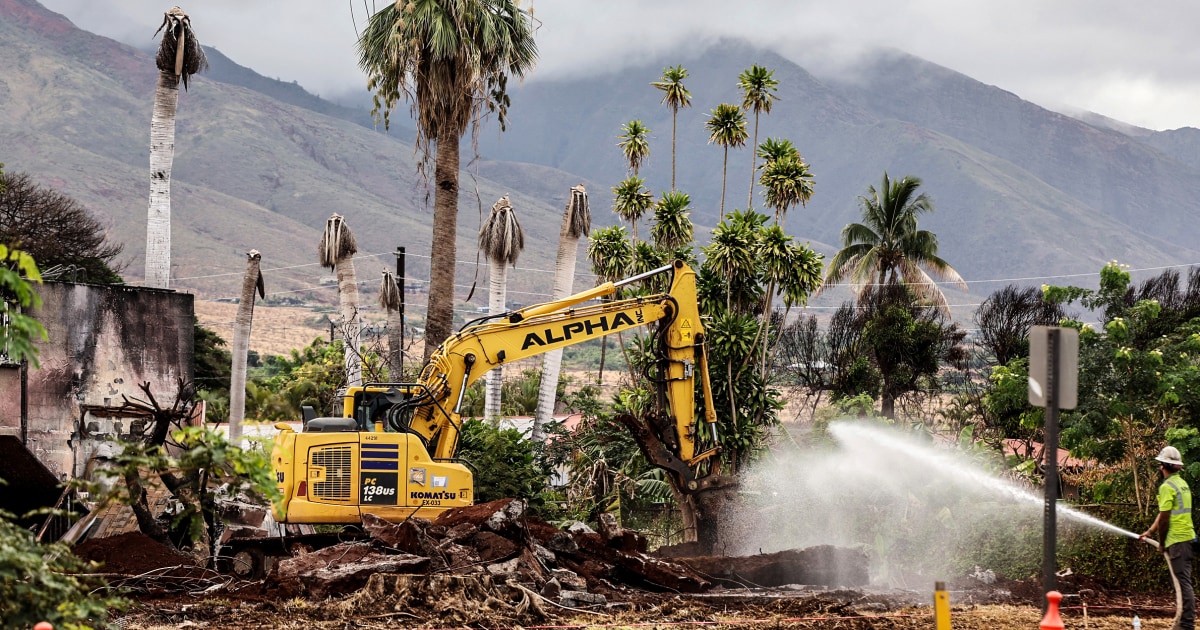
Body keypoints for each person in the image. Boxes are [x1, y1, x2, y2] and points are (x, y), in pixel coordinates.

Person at [1140, 445, 1195, 630]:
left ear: (1163, 466)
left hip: (1176, 541)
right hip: (1187, 538)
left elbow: (1165, 519)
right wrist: (1150, 532)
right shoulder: (1182, 484)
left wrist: (1162, 544)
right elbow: (1163, 513)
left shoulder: (1167, 486)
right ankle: (1183, 622)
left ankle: (1186, 625)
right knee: (1182, 581)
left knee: (1182, 583)